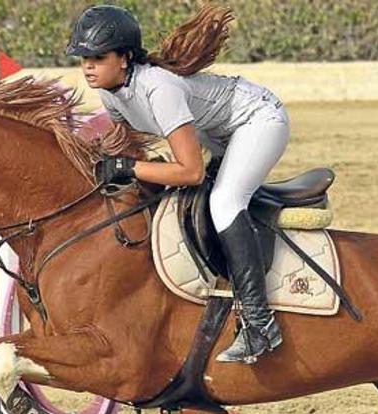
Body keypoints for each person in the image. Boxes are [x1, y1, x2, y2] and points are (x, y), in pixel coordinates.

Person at [67, 4, 289, 364]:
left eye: (97, 57)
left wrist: (128, 167)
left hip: (258, 120)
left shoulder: (158, 88)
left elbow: (190, 171)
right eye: (83, 58)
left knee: (224, 202)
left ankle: (259, 323)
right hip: (217, 135)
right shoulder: (111, 92)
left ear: (124, 58)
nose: (87, 66)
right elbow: (129, 150)